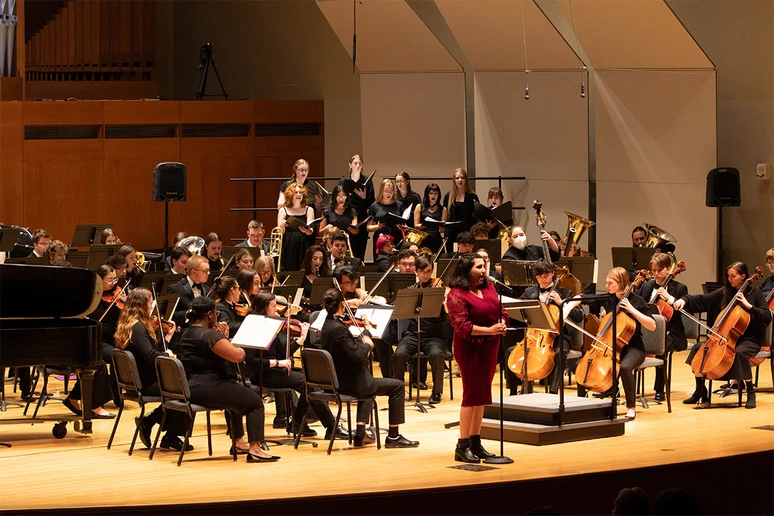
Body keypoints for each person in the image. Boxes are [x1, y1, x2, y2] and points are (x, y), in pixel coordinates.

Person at [178, 296, 279, 462]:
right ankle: (255, 449)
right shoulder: (209, 335)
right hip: (209, 386)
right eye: (216, 313)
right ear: (210, 315)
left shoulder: (187, 332)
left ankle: (239, 442)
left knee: (236, 396)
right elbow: (237, 356)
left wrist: (223, 338)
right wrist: (236, 342)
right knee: (255, 403)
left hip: (191, 386)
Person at [320, 288, 419, 448]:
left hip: (337, 380)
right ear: (342, 305)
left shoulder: (327, 325)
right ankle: (393, 436)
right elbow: (358, 354)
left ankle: (360, 434)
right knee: (397, 386)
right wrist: (367, 341)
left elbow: (349, 348)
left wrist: (363, 335)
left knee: (366, 379)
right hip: (348, 384)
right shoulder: (339, 329)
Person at [248, 292, 348, 440]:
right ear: (263, 308)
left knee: (311, 378)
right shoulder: (254, 327)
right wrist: (277, 363)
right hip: (264, 374)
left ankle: (298, 422)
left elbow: (283, 353)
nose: (277, 310)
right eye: (274, 307)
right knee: (308, 383)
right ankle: (330, 426)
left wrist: (301, 339)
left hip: (275, 370)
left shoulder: (272, 324)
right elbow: (250, 361)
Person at [674, 262, 771, 409]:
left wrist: (748, 306)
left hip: (750, 338)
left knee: (739, 354)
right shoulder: (726, 292)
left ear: (743, 276)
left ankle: (750, 391)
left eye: (733, 276)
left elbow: (766, 316)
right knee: (699, 349)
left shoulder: (755, 294)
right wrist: (684, 300)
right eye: (729, 276)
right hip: (726, 338)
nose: (730, 279)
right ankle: (700, 390)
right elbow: (702, 300)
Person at [445, 253, 509, 463]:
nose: (484, 270)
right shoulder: (456, 294)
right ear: (467, 270)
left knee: (482, 394)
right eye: (479, 267)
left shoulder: (489, 287)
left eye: (484, 266)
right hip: (469, 348)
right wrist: (490, 330)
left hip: (490, 347)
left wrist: (501, 321)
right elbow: (462, 326)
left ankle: (475, 441)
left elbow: (502, 310)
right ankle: (462, 445)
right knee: (471, 395)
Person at [114, 288, 188, 451]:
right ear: (143, 305)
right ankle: (168, 434)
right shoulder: (138, 327)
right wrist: (167, 355)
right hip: (145, 382)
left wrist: (167, 337)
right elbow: (151, 356)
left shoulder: (134, 325)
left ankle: (153, 423)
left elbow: (153, 351)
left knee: (185, 389)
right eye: (150, 302)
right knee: (186, 391)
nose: (153, 306)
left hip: (144, 378)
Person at [507, 260, 584, 394]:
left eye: (546, 275)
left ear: (553, 273)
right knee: (510, 351)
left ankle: (553, 392)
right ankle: (513, 392)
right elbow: (519, 312)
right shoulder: (529, 292)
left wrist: (561, 303)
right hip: (534, 336)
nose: (543, 279)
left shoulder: (565, 293)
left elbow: (579, 317)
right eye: (539, 276)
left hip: (559, 336)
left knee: (559, 353)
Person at [597, 267, 656, 420]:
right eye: (606, 283)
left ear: (621, 283)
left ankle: (631, 407)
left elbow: (652, 325)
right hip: (612, 345)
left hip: (634, 347)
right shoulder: (609, 299)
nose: (607, 286)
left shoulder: (636, 300)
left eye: (610, 283)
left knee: (624, 367)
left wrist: (632, 310)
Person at [392, 255, 447, 404]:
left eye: (429, 271)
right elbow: (400, 313)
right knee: (399, 355)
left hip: (433, 336)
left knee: (436, 355)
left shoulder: (438, 290)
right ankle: (398, 389)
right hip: (412, 335)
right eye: (423, 271)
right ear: (416, 271)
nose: (426, 275)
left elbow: (446, 319)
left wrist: (444, 305)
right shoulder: (410, 291)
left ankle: (436, 392)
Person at [637, 253, 688, 401]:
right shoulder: (646, 286)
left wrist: (669, 299)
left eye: (659, 270)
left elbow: (681, 311)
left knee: (660, 349)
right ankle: (613, 389)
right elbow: (638, 304)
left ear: (668, 269)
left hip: (672, 333)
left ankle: (660, 390)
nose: (656, 273)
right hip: (647, 331)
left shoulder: (680, 288)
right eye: (653, 270)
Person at [338, 154, 374, 261]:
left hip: (362, 219)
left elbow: (372, 202)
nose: (358, 165)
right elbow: (338, 199)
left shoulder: (367, 181)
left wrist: (363, 197)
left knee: (360, 249)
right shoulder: (344, 181)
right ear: (350, 165)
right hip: (348, 218)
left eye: (360, 163)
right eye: (355, 163)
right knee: (347, 248)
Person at [278, 182, 315, 272]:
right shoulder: (283, 210)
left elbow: (311, 231)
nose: (299, 195)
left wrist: (306, 231)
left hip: (303, 242)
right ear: (291, 195)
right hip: (288, 244)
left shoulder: (309, 210)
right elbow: (279, 232)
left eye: (300, 193)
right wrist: (282, 226)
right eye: (296, 192)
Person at [166, 255, 212, 327]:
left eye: (209, 270)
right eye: (205, 271)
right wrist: (190, 314)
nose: (208, 273)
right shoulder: (175, 289)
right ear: (193, 272)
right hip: (184, 333)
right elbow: (170, 315)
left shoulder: (207, 290)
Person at [442, 168, 479, 252]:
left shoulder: (472, 196)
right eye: (457, 178)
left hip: (467, 231)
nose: (460, 180)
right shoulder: (448, 196)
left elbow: (477, 215)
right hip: (452, 232)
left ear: (466, 180)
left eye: (462, 178)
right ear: (454, 180)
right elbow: (445, 215)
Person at [368, 178, 404, 257]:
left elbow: (404, 223)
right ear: (381, 191)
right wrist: (377, 226)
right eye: (386, 191)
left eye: (390, 191)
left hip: (396, 237)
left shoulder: (399, 205)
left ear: (394, 192)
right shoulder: (375, 206)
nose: (388, 194)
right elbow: (368, 227)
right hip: (381, 237)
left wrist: (402, 227)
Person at [413, 183, 447, 255]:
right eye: (431, 193)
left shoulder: (443, 209)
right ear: (427, 194)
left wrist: (442, 228)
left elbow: (443, 229)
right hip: (423, 239)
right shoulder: (419, 207)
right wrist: (427, 224)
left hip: (436, 239)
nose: (433, 196)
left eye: (436, 193)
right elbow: (416, 225)